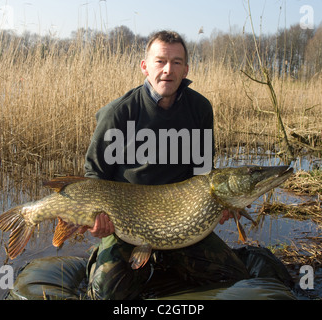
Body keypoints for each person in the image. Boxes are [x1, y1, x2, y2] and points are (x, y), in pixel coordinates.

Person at [83, 30, 250, 300]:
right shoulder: (119, 113)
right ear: (145, 66)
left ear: (186, 69)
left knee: (234, 277)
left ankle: (166, 260)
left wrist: (219, 205)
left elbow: (203, 173)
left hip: (182, 221)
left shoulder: (199, 109)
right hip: (126, 223)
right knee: (108, 294)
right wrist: (96, 220)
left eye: (176, 62)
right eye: (160, 61)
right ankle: (108, 257)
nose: (167, 70)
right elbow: (93, 177)